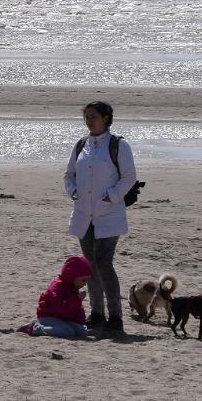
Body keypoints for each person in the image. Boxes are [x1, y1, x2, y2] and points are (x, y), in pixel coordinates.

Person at [64, 101, 137, 337]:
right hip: (84, 214)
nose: (89, 121)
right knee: (89, 265)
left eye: (93, 116)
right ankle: (97, 313)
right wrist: (74, 191)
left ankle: (115, 316)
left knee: (104, 263)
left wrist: (111, 197)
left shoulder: (118, 145)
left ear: (106, 118)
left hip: (109, 215)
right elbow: (69, 175)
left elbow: (129, 177)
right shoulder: (81, 145)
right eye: (86, 117)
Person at [18, 255, 94, 338]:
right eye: (83, 280)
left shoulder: (73, 287)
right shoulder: (57, 286)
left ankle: (64, 328)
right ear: (73, 276)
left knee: (81, 332)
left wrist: (80, 324)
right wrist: (77, 300)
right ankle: (34, 328)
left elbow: (77, 311)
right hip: (48, 316)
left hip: (63, 318)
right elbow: (59, 309)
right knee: (67, 332)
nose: (85, 284)